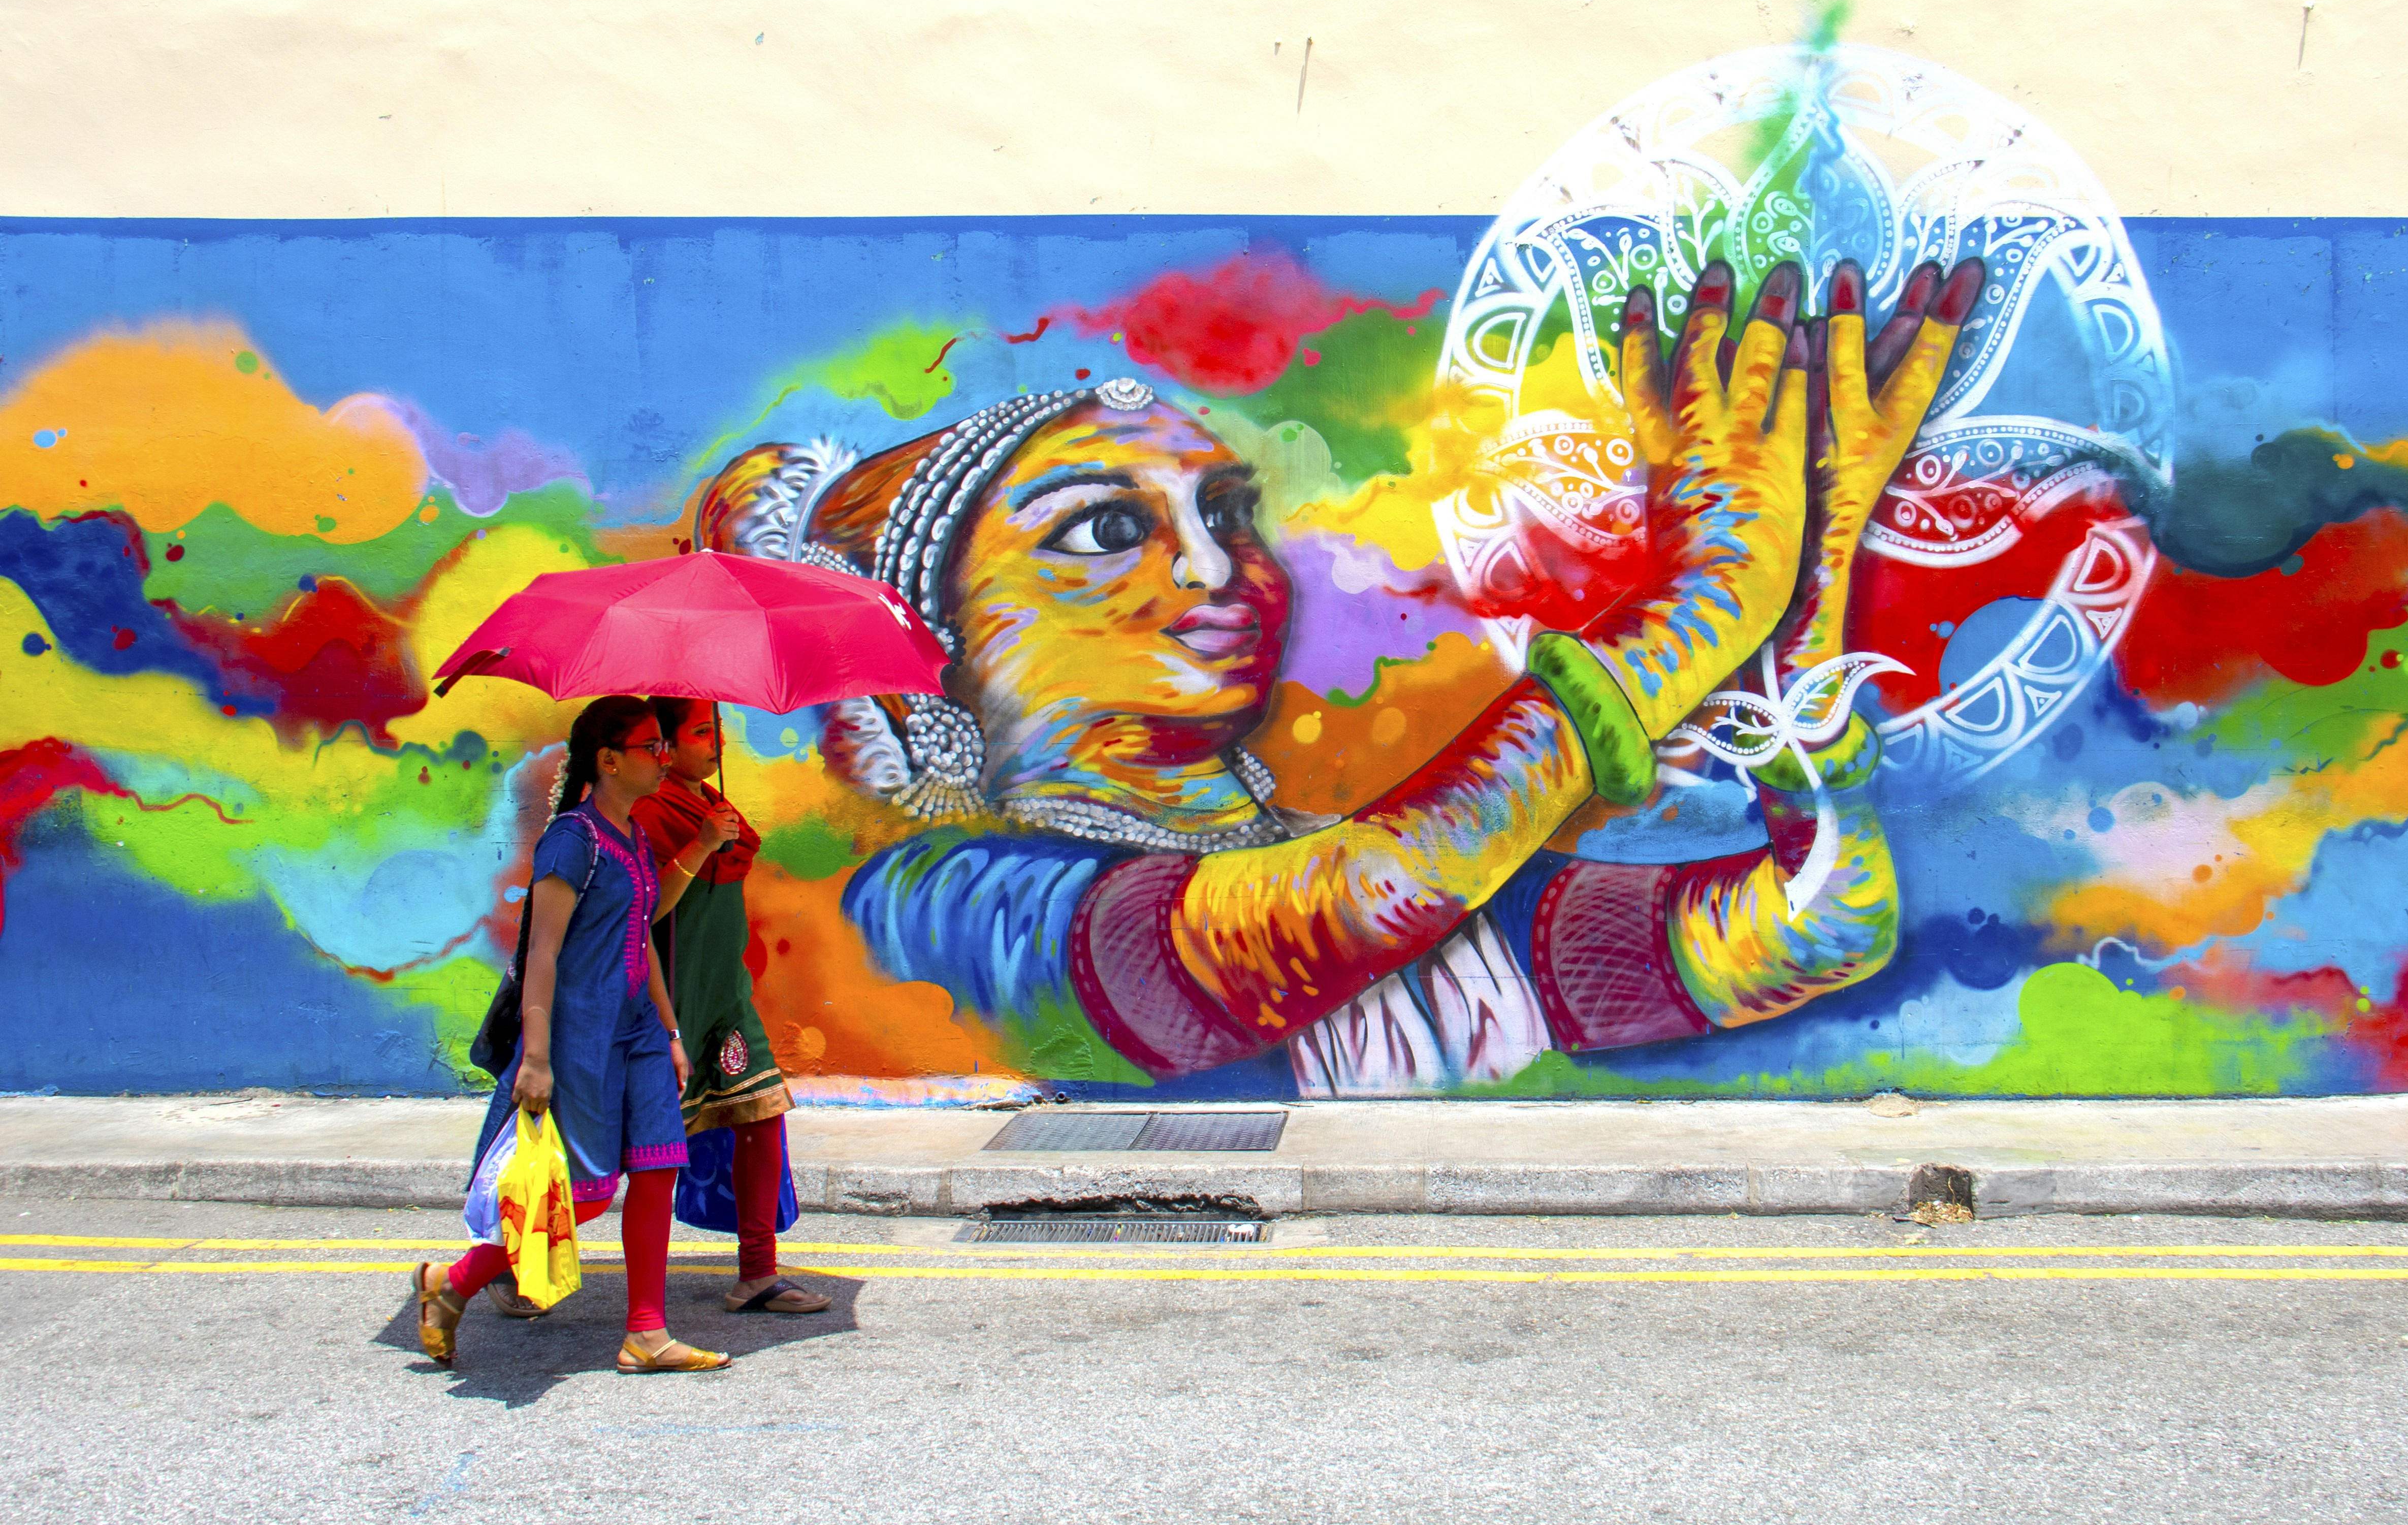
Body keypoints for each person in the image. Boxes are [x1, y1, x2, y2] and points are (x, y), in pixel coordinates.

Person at [697, 256, 1980, 1093]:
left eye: (1228, 512)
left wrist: (1808, 573)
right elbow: (1363, 901)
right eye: (1107, 528)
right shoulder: (941, 903)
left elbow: (1814, 926)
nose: (1218, 566)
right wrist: (1702, 602)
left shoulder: (1391, 863)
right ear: (938, 633)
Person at [412, 695, 732, 1374]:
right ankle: (454, 1281)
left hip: (639, 1033)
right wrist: (535, 1056)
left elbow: (641, 935)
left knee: (657, 1169)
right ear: (609, 760)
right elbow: (544, 951)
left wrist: (671, 1031)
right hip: (580, 1038)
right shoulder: (573, 840)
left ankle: (646, 1333)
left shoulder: (635, 836)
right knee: (582, 1195)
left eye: (665, 744)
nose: (665, 757)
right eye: (652, 747)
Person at [632, 695, 826, 1314]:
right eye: (701, 732)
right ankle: (503, 1259)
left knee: (761, 1115)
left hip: (726, 999)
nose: (716, 742)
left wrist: (712, 832)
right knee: (623, 1153)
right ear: (665, 748)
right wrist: (700, 845)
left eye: (716, 729)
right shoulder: (648, 811)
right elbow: (643, 911)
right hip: (669, 1003)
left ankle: (757, 1272)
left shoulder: (713, 806)